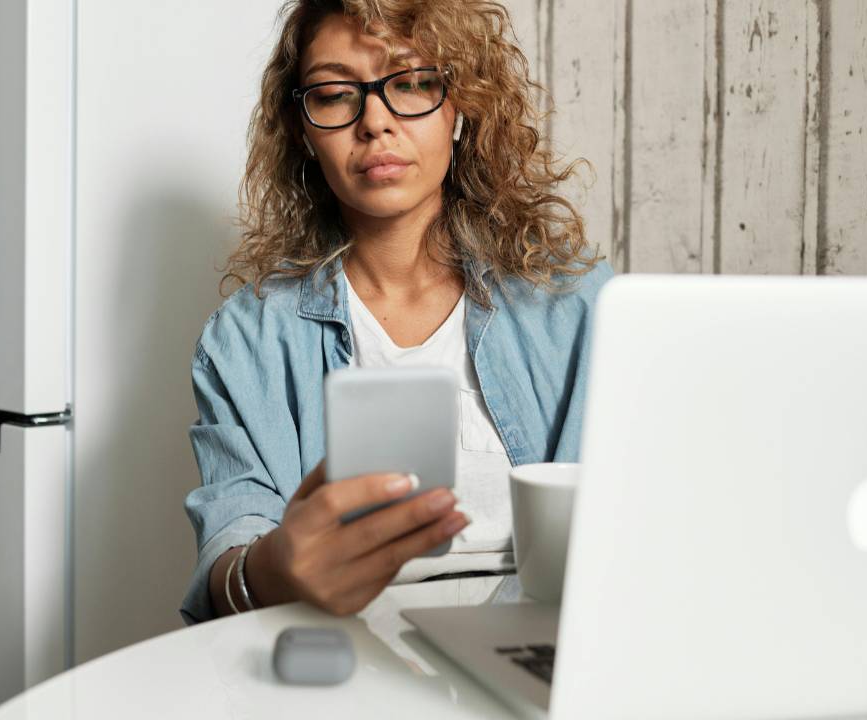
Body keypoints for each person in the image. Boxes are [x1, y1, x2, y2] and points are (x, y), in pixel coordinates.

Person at [180, 0, 612, 625]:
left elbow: (625, 525)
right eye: (333, 95)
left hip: (542, 644)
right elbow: (231, 541)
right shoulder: (245, 341)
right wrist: (268, 571)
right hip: (343, 655)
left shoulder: (577, 304)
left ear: (459, 106)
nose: (376, 123)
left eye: (412, 84)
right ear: (302, 129)